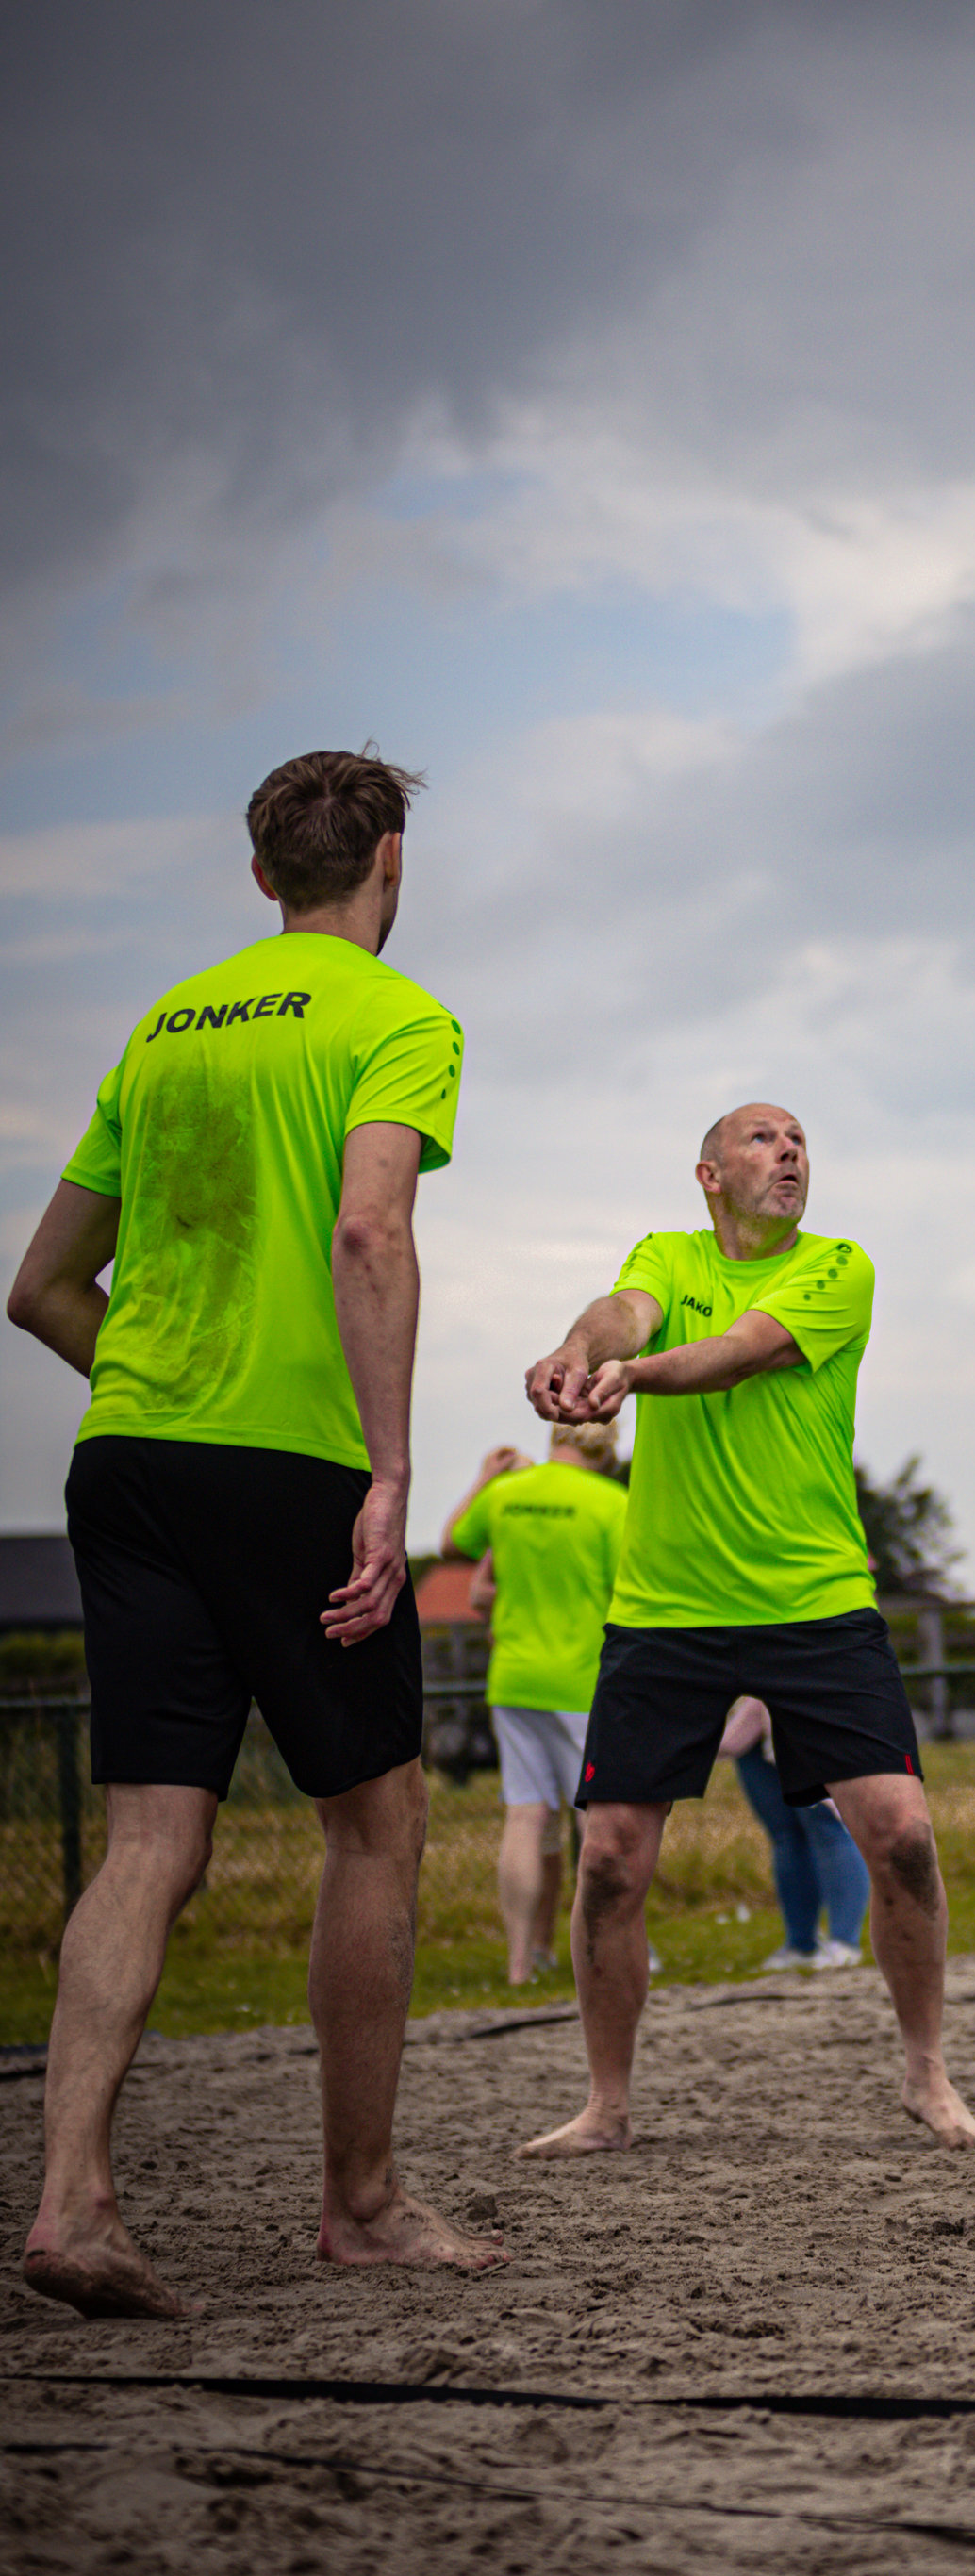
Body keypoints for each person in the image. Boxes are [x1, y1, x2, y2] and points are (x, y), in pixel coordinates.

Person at [6, 746, 505, 2317]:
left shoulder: (164, 1026)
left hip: (128, 1456)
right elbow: (371, 1227)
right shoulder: (399, 1018)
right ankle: (360, 2202)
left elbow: (38, 1290)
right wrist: (394, 1470)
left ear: (258, 873)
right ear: (392, 861)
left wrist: (164, 1389)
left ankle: (72, 2199)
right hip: (286, 1465)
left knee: (154, 1841)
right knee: (375, 1825)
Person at [518, 1100, 975, 2153]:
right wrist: (576, 1348)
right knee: (608, 1862)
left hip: (814, 1602)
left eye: (800, 1143)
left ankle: (927, 2078)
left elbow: (734, 1353)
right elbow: (624, 1311)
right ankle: (606, 2105)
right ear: (708, 1174)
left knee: (904, 1837)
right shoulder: (670, 1252)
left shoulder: (838, 1267)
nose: (789, 1154)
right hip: (666, 1610)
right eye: (763, 1140)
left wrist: (627, 1380)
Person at [442, 1419, 632, 1983]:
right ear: (610, 1444)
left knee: (526, 1817)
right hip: (583, 1680)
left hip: (515, 1678)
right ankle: (602, 1951)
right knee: (600, 1820)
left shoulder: (506, 1495)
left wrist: (483, 1478)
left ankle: (521, 1963)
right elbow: (634, 1592)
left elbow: (453, 1544)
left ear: (555, 1437)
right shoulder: (612, 1502)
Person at [719, 1696, 871, 1968]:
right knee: (786, 1835)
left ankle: (844, 1942)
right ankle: (801, 1944)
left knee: (827, 1827)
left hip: (804, 1708)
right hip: (752, 1716)